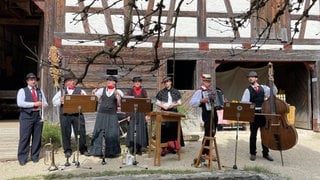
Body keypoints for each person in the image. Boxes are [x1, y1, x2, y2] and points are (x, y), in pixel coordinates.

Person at [241, 71, 277, 161]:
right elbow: (244, 102)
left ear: (256, 78)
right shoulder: (247, 90)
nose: (250, 78)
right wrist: (251, 106)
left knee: (265, 134)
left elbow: (273, 93)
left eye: (252, 77)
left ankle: (266, 153)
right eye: (249, 77)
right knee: (253, 134)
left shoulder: (263, 88)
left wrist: (272, 82)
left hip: (263, 114)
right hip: (253, 114)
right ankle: (253, 153)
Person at [52, 72, 89, 159]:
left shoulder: (81, 91)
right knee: (66, 133)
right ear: (66, 83)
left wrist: (83, 98)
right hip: (65, 115)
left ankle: (83, 149)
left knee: (81, 132)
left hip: (77, 115)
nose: (72, 82)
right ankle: (67, 150)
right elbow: (54, 102)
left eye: (73, 80)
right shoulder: (61, 92)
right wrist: (60, 100)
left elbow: (87, 101)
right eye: (70, 80)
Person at [16, 72, 48, 166]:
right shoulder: (22, 90)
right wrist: (34, 104)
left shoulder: (39, 91)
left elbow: (45, 102)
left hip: (37, 116)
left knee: (37, 137)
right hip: (26, 116)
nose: (33, 81)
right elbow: (20, 103)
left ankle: (35, 156)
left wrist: (44, 104)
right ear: (27, 81)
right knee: (25, 137)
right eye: (31, 79)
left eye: (34, 79)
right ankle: (22, 158)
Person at [89, 75, 124, 157]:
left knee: (112, 132)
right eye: (108, 80)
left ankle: (111, 152)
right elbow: (95, 99)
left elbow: (120, 104)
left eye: (111, 80)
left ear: (114, 82)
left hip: (112, 114)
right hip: (101, 113)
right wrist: (93, 93)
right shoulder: (102, 90)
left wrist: (118, 96)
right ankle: (97, 151)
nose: (109, 82)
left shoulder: (118, 91)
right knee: (99, 131)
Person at [189, 74, 222, 158]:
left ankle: (208, 151)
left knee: (213, 131)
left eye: (209, 81)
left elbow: (217, 102)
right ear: (203, 81)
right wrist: (201, 100)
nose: (208, 83)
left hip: (214, 113)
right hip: (206, 114)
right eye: (207, 81)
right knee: (208, 132)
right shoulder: (200, 91)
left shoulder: (212, 91)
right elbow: (192, 103)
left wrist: (220, 104)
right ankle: (204, 152)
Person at [155, 76, 184, 156]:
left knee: (173, 129)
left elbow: (179, 102)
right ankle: (163, 148)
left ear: (170, 82)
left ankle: (172, 147)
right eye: (165, 82)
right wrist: (163, 106)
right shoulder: (161, 92)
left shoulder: (176, 91)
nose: (166, 83)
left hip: (173, 111)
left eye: (167, 82)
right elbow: (157, 102)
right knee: (164, 129)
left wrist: (171, 106)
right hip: (164, 111)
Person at [125, 77, 149, 155]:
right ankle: (131, 147)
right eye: (136, 82)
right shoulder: (130, 91)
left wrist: (146, 114)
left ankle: (140, 148)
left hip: (141, 113)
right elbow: (127, 104)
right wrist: (128, 114)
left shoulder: (144, 91)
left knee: (141, 129)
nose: (137, 83)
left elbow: (147, 104)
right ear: (133, 83)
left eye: (139, 81)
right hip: (132, 113)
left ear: (141, 83)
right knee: (131, 129)